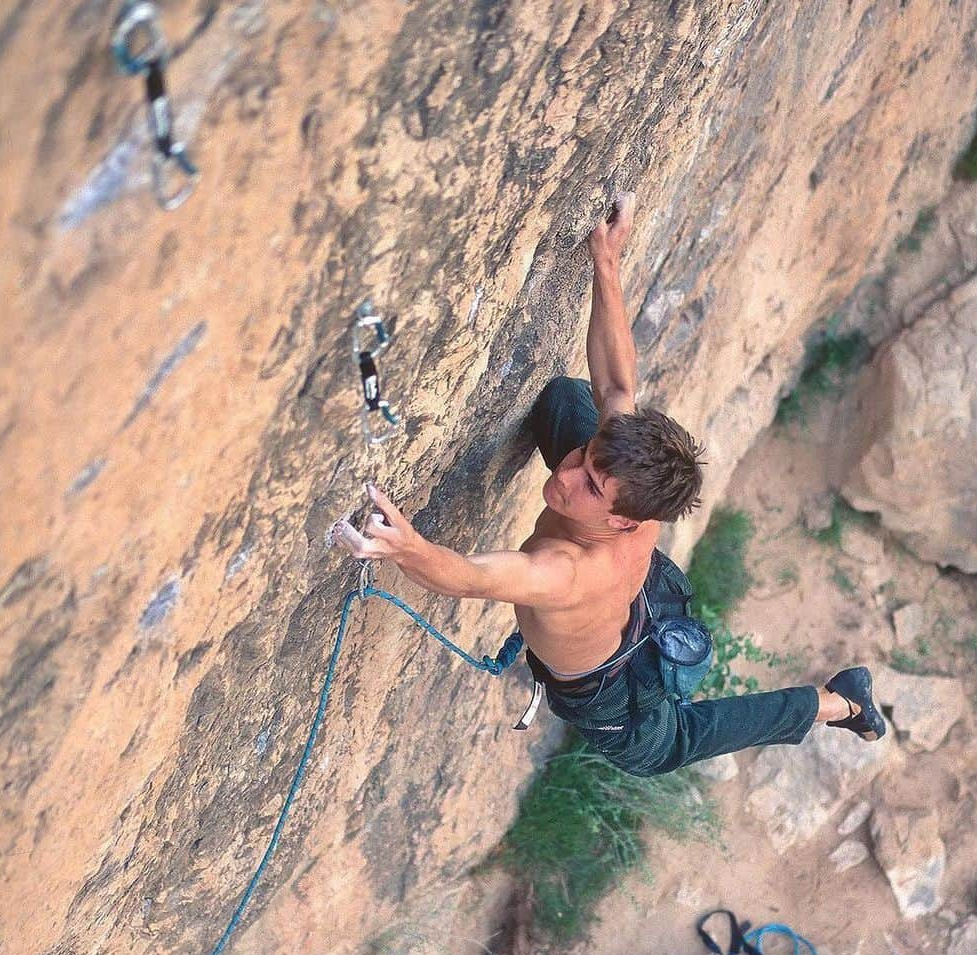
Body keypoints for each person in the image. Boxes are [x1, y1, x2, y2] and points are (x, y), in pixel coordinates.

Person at [331, 191, 885, 775]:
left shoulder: (564, 569)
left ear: (625, 520)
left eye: (591, 485)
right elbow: (617, 385)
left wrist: (405, 547)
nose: (566, 477)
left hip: (612, 693)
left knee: (669, 749)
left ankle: (840, 703)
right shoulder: (625, 481)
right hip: (638, 589)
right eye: (586, 460)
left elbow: (471, 577)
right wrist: (606, 259)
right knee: (569, 400)